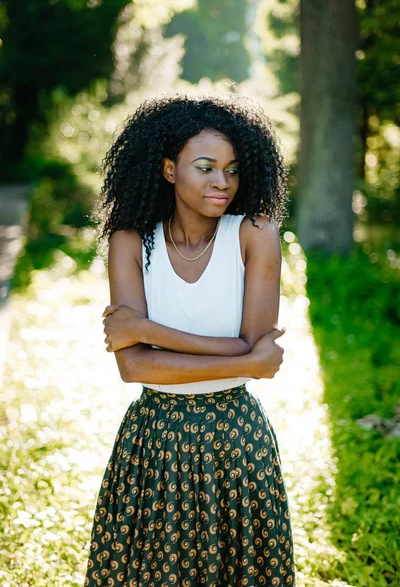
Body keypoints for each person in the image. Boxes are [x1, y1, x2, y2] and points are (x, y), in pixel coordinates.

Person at [83, 92, 296, 586]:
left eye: (233, 168)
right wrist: (243, 356)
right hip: (153, 440)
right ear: (169, 169)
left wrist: (146, 331)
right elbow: (134, 368)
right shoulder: (131, 241)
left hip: (236, 441)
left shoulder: (254, 234)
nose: (222, 181)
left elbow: (257, 359)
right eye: (205, 166)